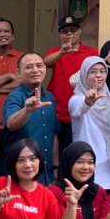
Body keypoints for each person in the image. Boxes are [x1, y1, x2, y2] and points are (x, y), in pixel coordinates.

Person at [68, 55, 110, 190]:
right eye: (92, 72)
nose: (98, 75)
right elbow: (79, 109)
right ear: (84, 75)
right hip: (88, 168)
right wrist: (88, 101)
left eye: (102, 71)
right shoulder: (76, 99)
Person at [44, 13, 98, 150]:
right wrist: (62, 52)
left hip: (83, 108)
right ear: (60, 35)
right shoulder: (54, 51)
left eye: (73, 30)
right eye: (65, 31)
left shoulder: (92, 52)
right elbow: (45, 63)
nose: (69, 34)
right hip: (58, 110)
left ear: (79, 32)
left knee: (80, 150)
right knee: (59, 150)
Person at [2, 52, 58, 176]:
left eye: (39, 66)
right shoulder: (14, 97)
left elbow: (53, 135)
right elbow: (11, 124)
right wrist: (27, 110)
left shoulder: (49, 98)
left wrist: (55, 168)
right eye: (29, 67)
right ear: (18, 73)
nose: (35, 70)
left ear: (45, 69)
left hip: (47, 174)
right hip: (22, 174)